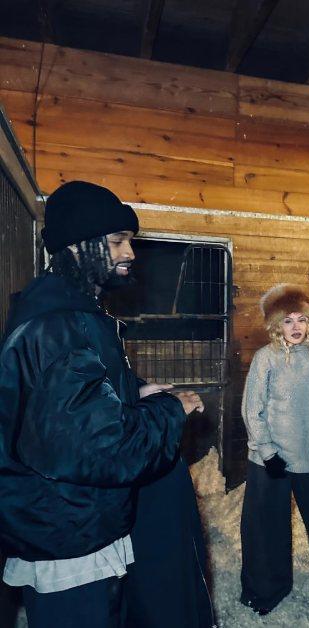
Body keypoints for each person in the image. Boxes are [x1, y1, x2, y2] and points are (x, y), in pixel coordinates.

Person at [0, 181, 205, 627]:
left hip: (74, 520)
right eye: (116, 242)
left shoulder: (70, 312)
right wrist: (172, 411)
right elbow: (102, 447)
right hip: (67, 535)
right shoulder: (60, 325)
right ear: (77, 246)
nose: (130, 252)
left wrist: (137, 391)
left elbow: (71, 402)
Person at [239, 283, 309, 615]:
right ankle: (268, 589)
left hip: (304, 457)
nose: (296, 327)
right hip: (269, 460)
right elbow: (251, 410)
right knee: (266, 526)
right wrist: (268, 453)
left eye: (302, 320)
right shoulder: (266, 358)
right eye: (288, 321)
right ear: (275, 325)